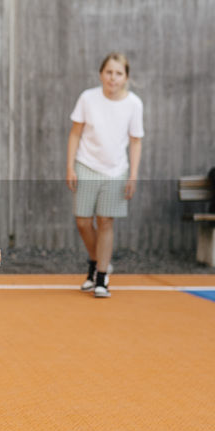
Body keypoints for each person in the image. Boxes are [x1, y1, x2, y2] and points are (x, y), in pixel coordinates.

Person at [66, 53, 144, 298]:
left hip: (115, 171)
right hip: (87, 165)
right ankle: (96, 260)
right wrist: (70, 166)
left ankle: (101, 277)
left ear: (126, 77)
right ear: (101, 74)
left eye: (118, 73)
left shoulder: (134, 104)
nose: (113, 77)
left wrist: (132, 175)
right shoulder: (87, 98)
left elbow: (135, 141)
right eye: (109, 72)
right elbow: (75, 133)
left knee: (106, 222)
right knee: (82, 221)